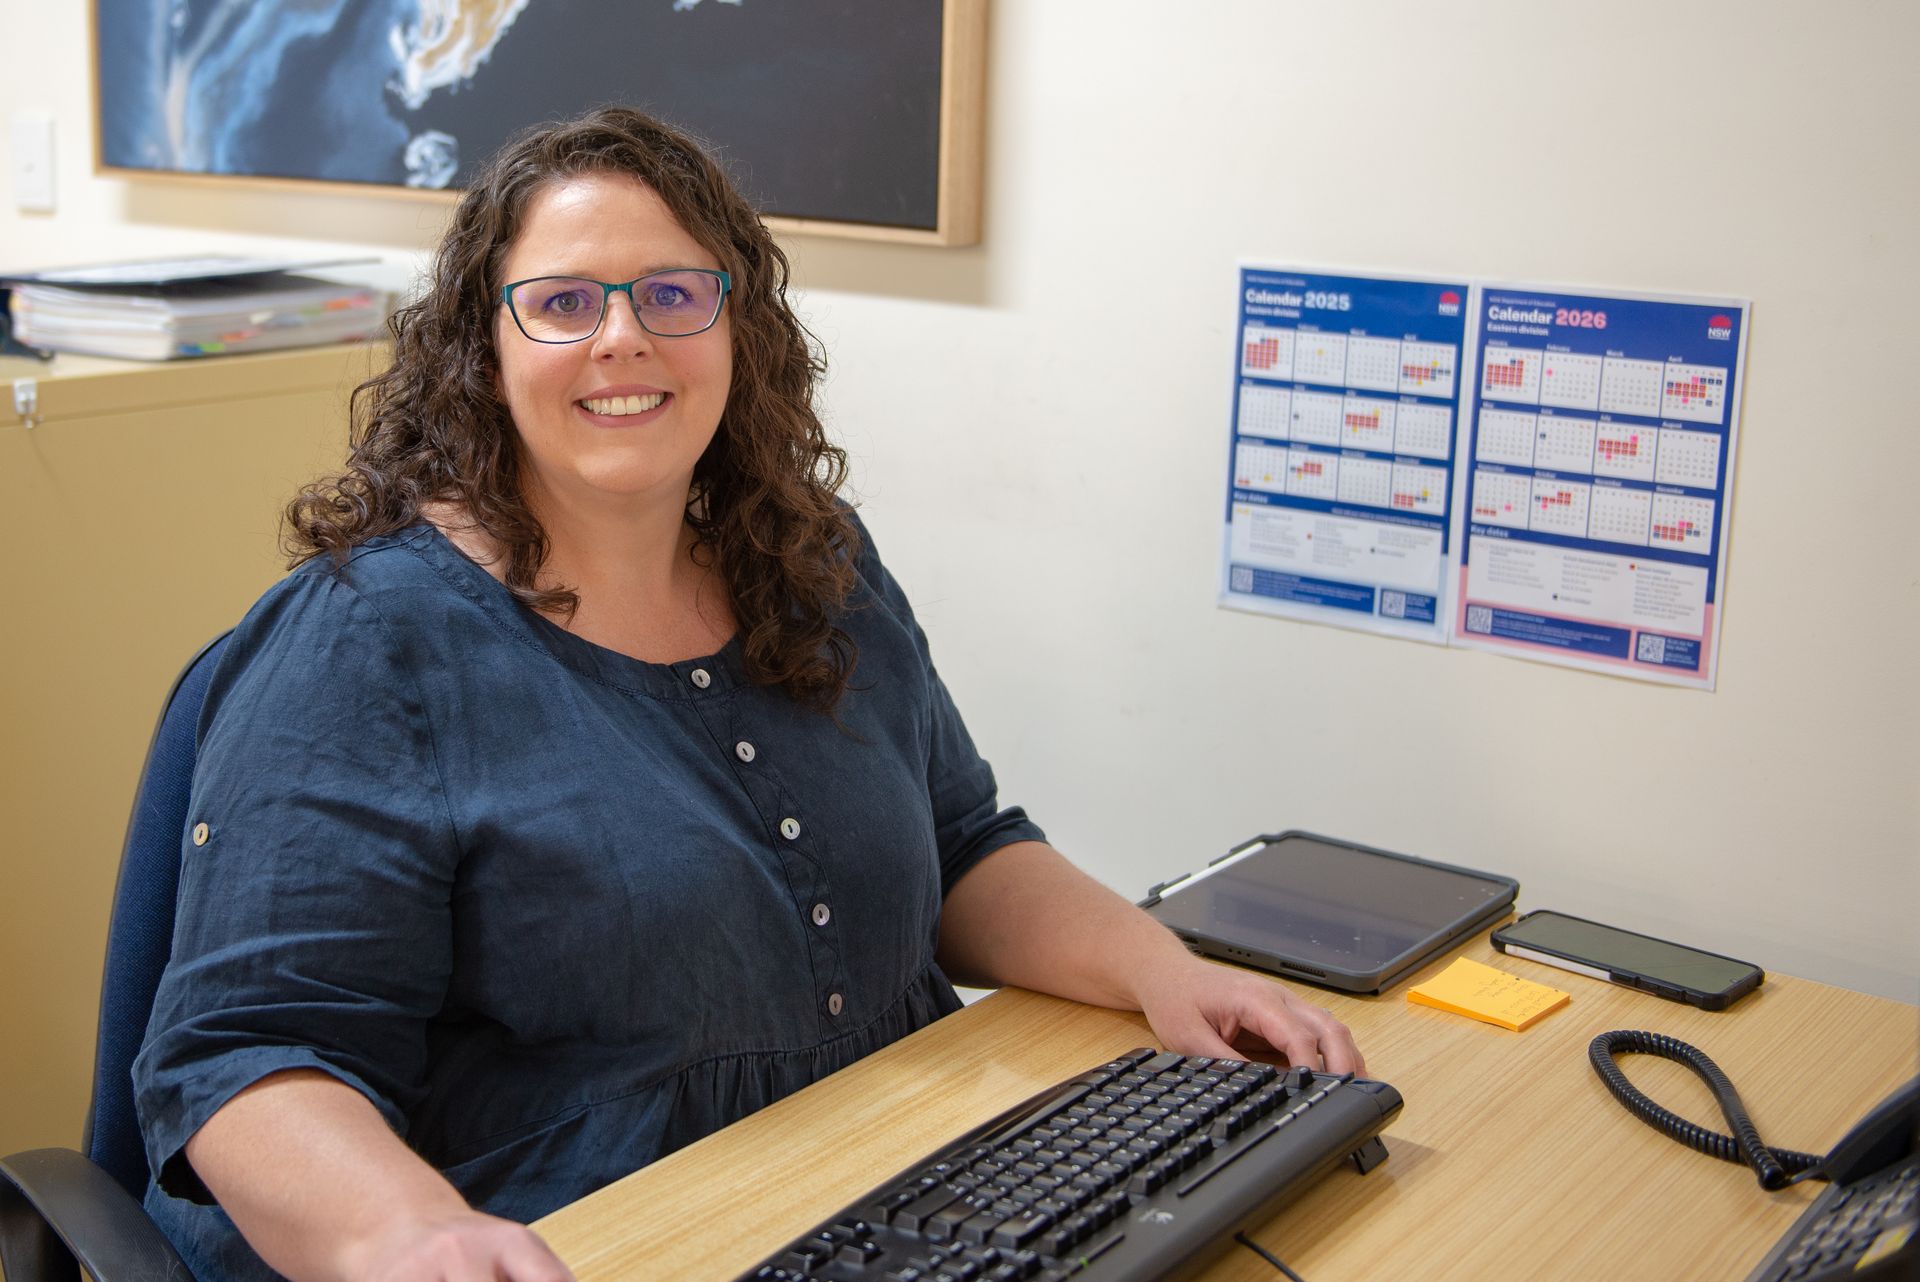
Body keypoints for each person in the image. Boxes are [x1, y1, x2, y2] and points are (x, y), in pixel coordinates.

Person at [132, 107, 1363, 1282]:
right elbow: (249, 1055)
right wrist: (404, 1236)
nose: (622, 338)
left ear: (737, 328)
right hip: (591, 1239)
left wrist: (1161, 969)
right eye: (561, 303)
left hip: (905, 1192)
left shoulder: (812, 560)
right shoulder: (365, 649)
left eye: (672, 293)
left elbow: (965, 844)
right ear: (482, 349)